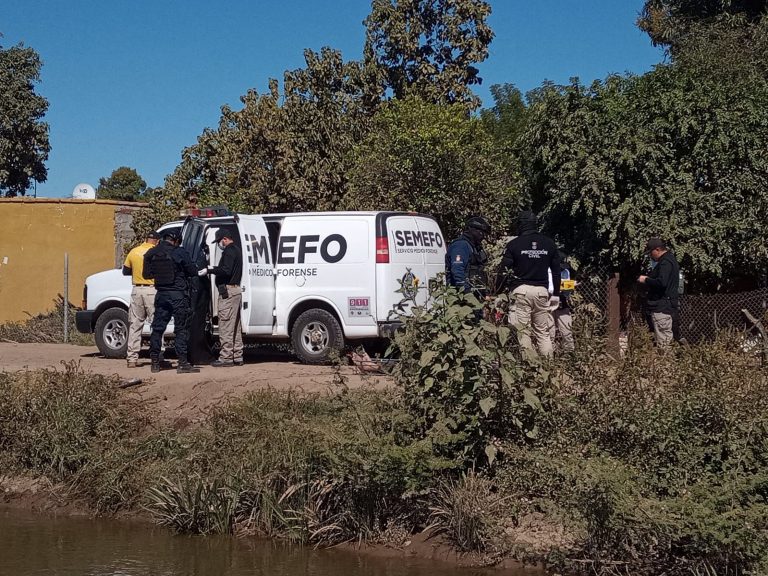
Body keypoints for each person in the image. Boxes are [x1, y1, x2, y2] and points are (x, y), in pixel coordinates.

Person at [496, 210, 560, 359]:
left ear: (521, 224)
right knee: (542, 332)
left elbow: (503, 271)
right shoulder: (549, 244)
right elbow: (556, 272)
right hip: (541, 292)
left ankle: (529, 368)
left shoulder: (513, 245)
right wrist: (556, 294)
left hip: (521, 291)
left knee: (523, 331)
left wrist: (497, 291)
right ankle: (548, 368)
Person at [143, 231, 202, 373]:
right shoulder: (179, 252)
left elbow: (146, 274)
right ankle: (182, 363)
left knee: (157, 329)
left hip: (161, 294)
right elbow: (193, 271)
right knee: (181, 328)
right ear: (176, 240)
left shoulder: (151, 253)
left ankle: (155, 363)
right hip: (178, 295)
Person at [200, 229, 243, 367]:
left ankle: (226, 357)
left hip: (228, 292)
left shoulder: (229, 251)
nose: (219, 244)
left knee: (225, 326)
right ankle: (237, 355)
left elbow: (226, 270)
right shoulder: (237, 250)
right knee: (235, 326)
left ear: (225, 239)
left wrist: (210, 269)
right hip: (235, 291)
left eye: (219, 241)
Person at [122, 231, 160, 367]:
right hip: (152, 290)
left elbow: (125, 271)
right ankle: (157, 356)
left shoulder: (134, 251)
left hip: (137, 290)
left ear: (145, 239)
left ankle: (132, 358)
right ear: (157, 241)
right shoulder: (157, 252)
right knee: (156, 324)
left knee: (135, 325)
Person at [638, 237, 680, 348]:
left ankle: (665, 364)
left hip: (661, 308)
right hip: (668, 305)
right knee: (667, 339)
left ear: (657, 250)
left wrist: (646, 279)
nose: (650, 256)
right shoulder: (671, 259)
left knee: (664, 343)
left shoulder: (665, 262)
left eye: (651, 253)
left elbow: (662, 282)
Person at [445, 215, 491, 298]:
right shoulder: (461, 246)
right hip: (462, 296)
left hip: (476, 294)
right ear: (472, 230)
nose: (483, 236)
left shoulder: (475, 247)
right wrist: (466, 293)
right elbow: (457, 270)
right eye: (481, 232)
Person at [550, 251, 575, 353]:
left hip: (562, 304)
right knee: (549, 332)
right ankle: (549, 355)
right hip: (548, 304)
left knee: (567, 331)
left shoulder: (567, 271)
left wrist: (569, 286)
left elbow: (568, 287)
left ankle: (569, 354)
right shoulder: (546, 271)